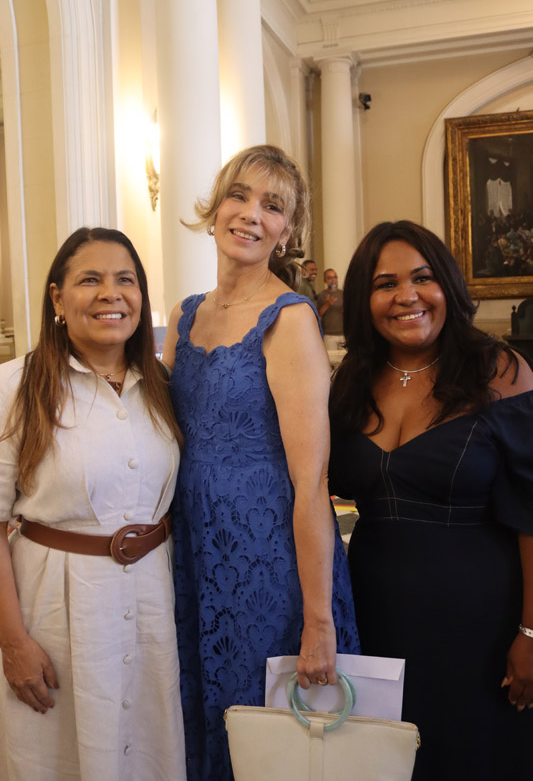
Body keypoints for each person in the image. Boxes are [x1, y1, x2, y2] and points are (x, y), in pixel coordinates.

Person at [163, 144, 360, 781]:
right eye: (239, 196)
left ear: (287, 229)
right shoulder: (183, 316)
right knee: (202, 717)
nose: (251, 214)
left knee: (265, 736)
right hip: (193, 549)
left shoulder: (290, 318)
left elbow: (312, 484)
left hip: (266, 561)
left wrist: (318, 620)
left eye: (272, 205)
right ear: (216, 207)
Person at [329, 219, 533, 781]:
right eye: (384, 283)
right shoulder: (352, 379)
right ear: (364, 301)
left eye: (422, 278)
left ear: (447, 285)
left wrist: (532, 631)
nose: (406, 296)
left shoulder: (500, 371)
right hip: (373, 616)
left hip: (482, 621)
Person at [0, 227, 186, 781]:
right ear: (57, 298)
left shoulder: (161, 386)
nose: (112, 293)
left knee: (145, 751)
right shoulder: (17, 386)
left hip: (151, 602)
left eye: (125, 280)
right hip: (54, 612)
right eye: (90, 280)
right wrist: (12, 642)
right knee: (59, 758)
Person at [317, 268, 344, 351]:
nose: (333, 280)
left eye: (334, 277)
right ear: (325, 280)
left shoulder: (343, 293)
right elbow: (319, 314)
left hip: (343, 334)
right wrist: (327, 304)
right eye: (329, 278)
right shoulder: (322, 295)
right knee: (331, 361)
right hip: (329, 335)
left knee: (345, 361)